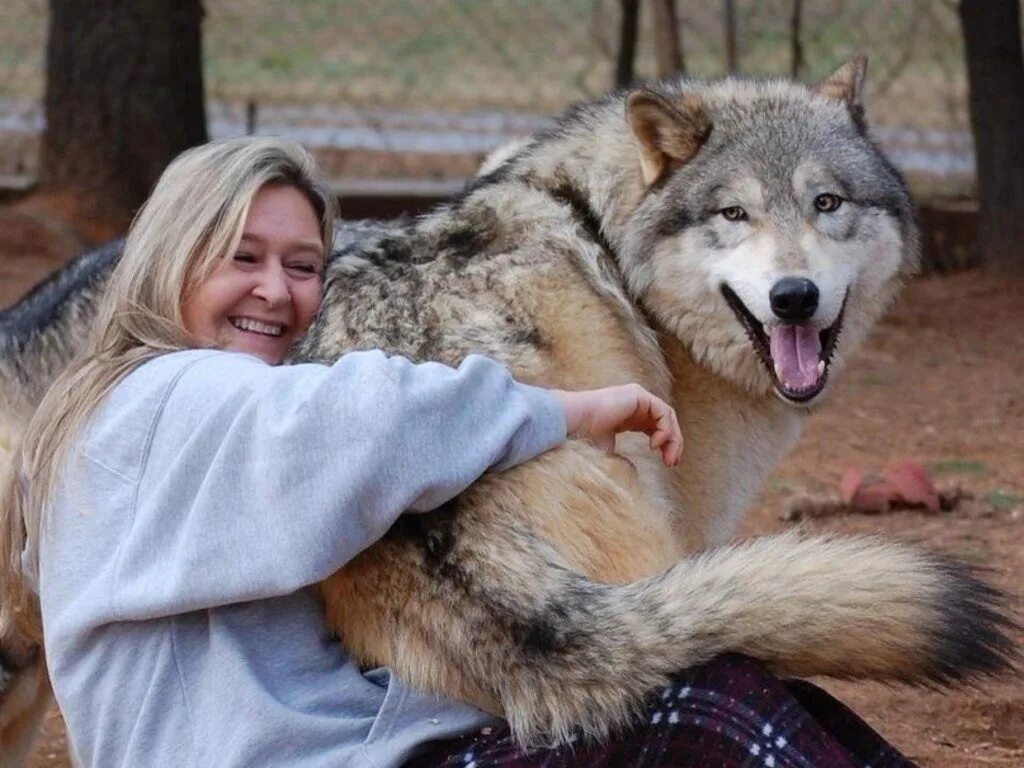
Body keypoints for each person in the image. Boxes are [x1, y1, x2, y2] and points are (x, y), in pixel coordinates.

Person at [0, 137, 916, 768]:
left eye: (306, 266)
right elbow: (364, 421)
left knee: (708, 702)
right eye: (241, 258)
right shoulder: (172, 396)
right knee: (706, 717)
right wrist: (567, 407)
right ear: (168, 260)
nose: (278, 293)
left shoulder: (128, 412)